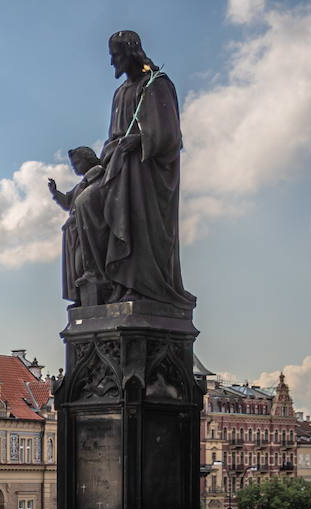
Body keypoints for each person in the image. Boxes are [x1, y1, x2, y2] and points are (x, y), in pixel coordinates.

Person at [69, 30, 195, 309]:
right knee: (85, 202)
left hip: (144, 172)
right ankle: (102, 281)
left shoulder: (156, 84)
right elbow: (112, 136)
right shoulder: (120, 93)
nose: (112, 62)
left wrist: (138, 140)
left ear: (130, 53)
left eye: (116, 55)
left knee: (127, 209)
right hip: (117, 164)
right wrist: (109, 154)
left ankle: (139, 285)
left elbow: (171, 136)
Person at [47, 146, 104, 305]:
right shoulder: (80, 185)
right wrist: (55, 193)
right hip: (73, 232)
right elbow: (67, 202)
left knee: (83, 263)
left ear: (88, 160)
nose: (75, 167)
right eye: (73, 164)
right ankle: (80, 297)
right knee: (76, 269)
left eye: (77, 163)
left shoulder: (97, 178)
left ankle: (90, 297)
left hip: (87, 229)